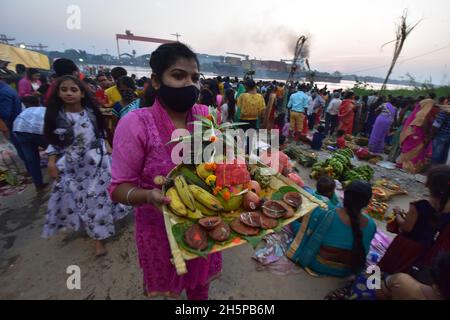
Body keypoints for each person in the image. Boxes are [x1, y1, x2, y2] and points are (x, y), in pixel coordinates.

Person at [109, 42, 222, 299]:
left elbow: (215, 163)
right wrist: (148, 196)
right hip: (158, 228)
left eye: (195, 78)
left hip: (204, 221)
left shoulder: (207, 117)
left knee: (200, 288)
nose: (189, 84)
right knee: (167, 287)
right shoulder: (135, 123)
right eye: (178, 75)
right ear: (157, 81)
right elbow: (118, 189)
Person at [42, 75, 128, 256]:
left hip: (98, 163)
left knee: (101, 198)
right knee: (86, 202)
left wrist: (108, 146)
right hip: (74, 168)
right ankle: (98, 233)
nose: (69, 93)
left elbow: (101, 132)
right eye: (64, 90)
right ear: (58, 93)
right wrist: (51, 161)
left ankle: (100, 235)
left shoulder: (91, 112)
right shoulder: (57, 117)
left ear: (82, 93)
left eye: (74, 90)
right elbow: (54, 141)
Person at [287, 180, 376, 277]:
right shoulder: (371, 225)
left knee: (295, 222)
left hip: (319, 265)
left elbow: (304, 234)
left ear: (344, 196)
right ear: (367, 203)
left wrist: (293, 220)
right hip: (347, 271)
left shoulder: (326, 213)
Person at [378, 165, 450, 275]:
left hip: (406, 245)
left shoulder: (419, 205)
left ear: (428, 184)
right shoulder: (446, 210)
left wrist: (398, 214)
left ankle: (382, 287)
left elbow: (406, 227)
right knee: (405, 270)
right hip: (424, 248)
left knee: (390, 268)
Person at [12, 96, 48, 191]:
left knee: (32, 161)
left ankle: (39, 185)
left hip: (20, 131)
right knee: (54, 153)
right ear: (38, 102)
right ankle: (59, 176)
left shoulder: (23, 112)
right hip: (39, 132)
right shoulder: (44, 109)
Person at [397, 93, 439, 173]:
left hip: (410, 131)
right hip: (418, 133)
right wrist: (427, 135)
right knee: (415, 149)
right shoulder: (423, 113)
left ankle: (402, 163)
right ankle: (409, 166)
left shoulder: (418, 111)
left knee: (408, 147)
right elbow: (423, 123)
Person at [430, 97, 450, 165]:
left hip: (441, 135)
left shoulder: (444, 112)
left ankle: (434, 169)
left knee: (436, 154)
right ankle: (440, 170)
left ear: (447, 101)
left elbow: (437, 124)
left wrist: (431, 134)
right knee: (444, 153)